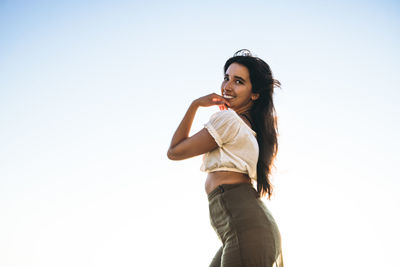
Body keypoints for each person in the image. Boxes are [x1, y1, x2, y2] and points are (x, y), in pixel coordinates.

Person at [167, 49, 283, 267]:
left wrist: (195, 105)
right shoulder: (247, 128)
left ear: (255, 93)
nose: (227, 86)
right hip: (246, 229)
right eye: (226, 78)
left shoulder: (229, 120)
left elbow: (174, 151)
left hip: (246, 228)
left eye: (238, 81)